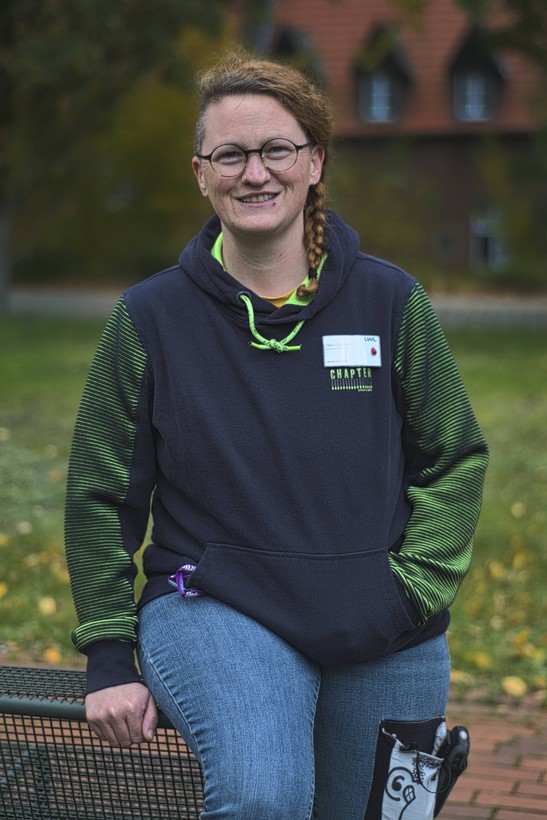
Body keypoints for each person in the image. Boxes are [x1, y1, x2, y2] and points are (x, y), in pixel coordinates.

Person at [65, 50, 488, 819]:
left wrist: (411, 588)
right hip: (218, 604)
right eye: (230, 154)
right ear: (201, 172)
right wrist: (106, 654)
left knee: (385, 815)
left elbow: (454, 457)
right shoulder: (149, 319)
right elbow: (99, 494)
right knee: (264, 798)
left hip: (384, 620)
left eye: (275, 150)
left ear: (314, 161)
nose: (253, 172)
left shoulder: (389, 300)